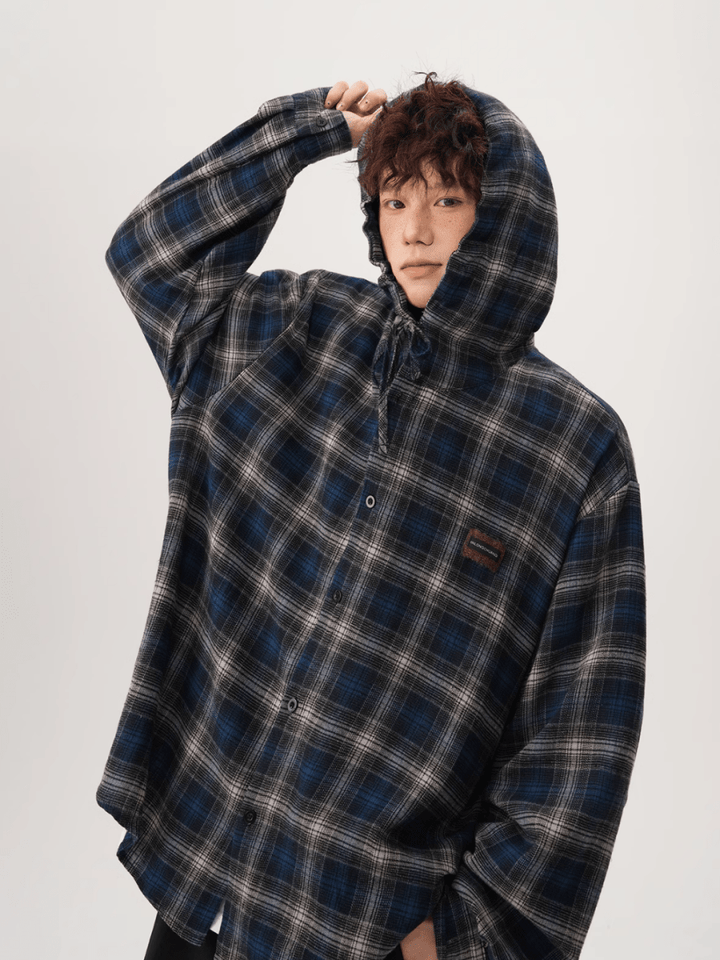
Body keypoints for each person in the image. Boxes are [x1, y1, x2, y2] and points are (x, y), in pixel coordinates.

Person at [98, 73, 646, 960]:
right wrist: (304, 132)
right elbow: (151, 260)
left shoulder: (575, 446)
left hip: (364, 927)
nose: (416, 230)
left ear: (503, 217)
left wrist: (456, 941)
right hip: (204, 888)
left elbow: (579, 738)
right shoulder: (299, 330)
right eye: (395, 199)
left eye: (447, 200)